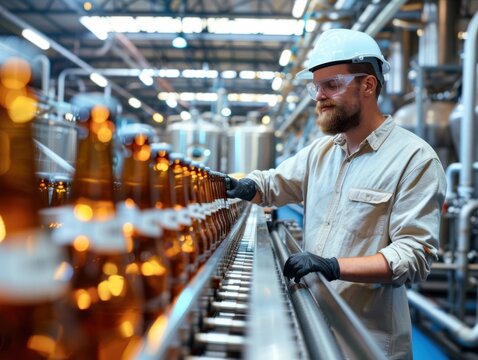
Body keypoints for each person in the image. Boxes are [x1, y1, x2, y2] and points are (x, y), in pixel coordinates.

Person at [226, 28, 446, 360]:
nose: (318, 96)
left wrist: (332, 266)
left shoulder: (414, 159)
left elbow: (413, 256)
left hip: (364, 341)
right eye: (317, 87)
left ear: (368, 85)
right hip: (311, 322)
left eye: (332, 85)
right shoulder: (322, 151)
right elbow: (274, 184)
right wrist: (239, 185)